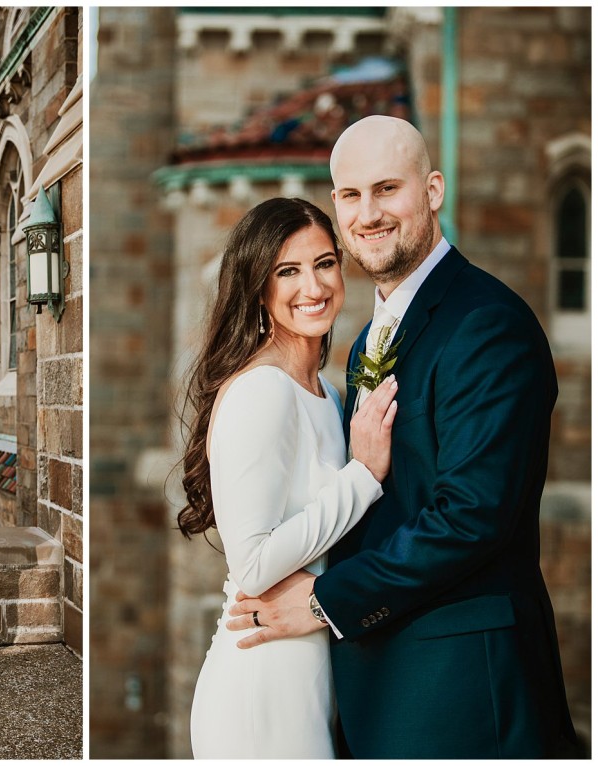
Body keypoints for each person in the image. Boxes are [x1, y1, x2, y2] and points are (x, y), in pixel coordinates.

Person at [227, 116, 580, 758]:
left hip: (461, 689)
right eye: (352, 195)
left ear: (433, 190)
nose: (370, 213)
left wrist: (324, 602)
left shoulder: (485, 324)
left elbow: (473, 515)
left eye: (388, 189)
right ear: (337, 205)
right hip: (377, 686)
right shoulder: (371, 339)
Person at [178, 197, 399, 758]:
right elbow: (251, 562)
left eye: (325, 263)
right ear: (258, 288)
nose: (314, 286)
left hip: (312, 671)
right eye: (288, 271)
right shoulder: (262, 390)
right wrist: (364, 476)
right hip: (263, 681)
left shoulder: (328, 395)